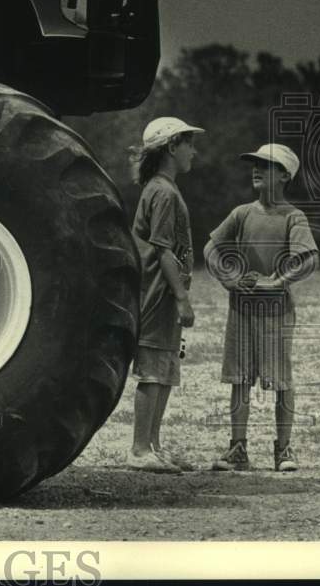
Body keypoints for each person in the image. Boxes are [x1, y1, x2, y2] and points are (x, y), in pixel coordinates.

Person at [205, 144, 319, 472]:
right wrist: (227, 277)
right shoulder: (242, 213)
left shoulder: (293, 216)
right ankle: (237, 449)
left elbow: (310, 257)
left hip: (276, 314)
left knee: (281, 381)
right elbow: (210, 247)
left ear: (285, 175)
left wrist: (277, 281)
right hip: (240, 310)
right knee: (240, 380)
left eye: (267, 165)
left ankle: (283, 450)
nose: (256, 169)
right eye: (254, 164)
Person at [126, 117, 204, 473]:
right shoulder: (163, 192)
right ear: (172, 146)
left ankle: (154, 447)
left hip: (165, 294)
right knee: (154, 370)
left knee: (166, 368)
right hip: (157, 294)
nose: (194, 151)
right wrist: (180, 297)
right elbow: (162, 250)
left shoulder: (166, 189)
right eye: (189, 143)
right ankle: (139, 449)